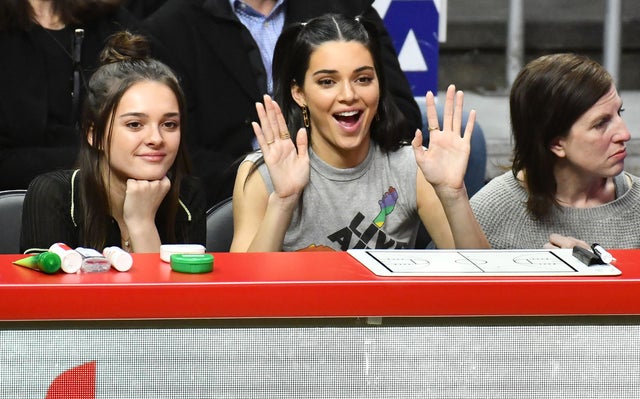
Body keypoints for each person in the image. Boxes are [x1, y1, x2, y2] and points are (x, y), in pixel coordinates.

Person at [230, 14, 489, 252]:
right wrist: (283, 201)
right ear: (299, 93)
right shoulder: (261, 175)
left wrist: (453, 195)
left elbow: (485, 285)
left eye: (363, 79)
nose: (348, 95)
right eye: (327, 82)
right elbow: (237, 298)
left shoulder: (412, 166)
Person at [142, 0, 423, 207]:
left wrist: (326, 174)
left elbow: (401, 117)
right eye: (327, 81)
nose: (348, 92)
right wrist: (262, 181)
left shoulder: (348, 9)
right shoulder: (169, 27)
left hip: (354, 189)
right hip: (227, 200)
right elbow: (176, 150)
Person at [20, 31, 206, 253]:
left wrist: (142, 224)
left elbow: (176, 290)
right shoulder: (54, 195)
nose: (156, 139)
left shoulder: (187, 196)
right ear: (94, 134)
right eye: (135, 124)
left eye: (169, 125)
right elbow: (49, 289)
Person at [470, 53, 640, 249]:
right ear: (557, 144)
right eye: (600, 123)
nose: (625, 134)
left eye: (620, 112)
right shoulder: (493, 209)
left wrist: (596, 271)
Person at [0, 0, 157, 192]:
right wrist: (96, 161)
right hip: (20, 195)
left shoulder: (108, 19)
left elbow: (157, 104)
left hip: (116, 192)